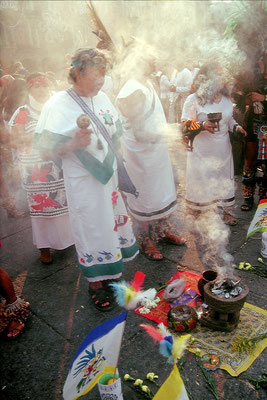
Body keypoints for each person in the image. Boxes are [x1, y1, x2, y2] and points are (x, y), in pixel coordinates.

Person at [35, 48, 139, 311]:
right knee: (91, 227)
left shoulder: (103, 96)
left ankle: (111, 271)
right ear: (78, 72)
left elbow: (114, 131)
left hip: (110, 177)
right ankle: (95, 283)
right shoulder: (58, 104)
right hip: (83, 180)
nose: (101, 82)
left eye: (103, 75)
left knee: (110, 224)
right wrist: (71, 143)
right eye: (95, 75)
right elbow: (44, 148)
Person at [116, 43, 186, 261]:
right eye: (150, 57)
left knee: (161, 196)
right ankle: (144, 241)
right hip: (141, 159)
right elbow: (139, 133)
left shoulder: (145, 82)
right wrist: (173, 134)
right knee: (144, 201)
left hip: (155, 154)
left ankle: (162, 231)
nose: (155, 60)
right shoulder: (132, 91)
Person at [9, 72, 74, 264]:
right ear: (30, 89)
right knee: (41, 209)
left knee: (62, 204)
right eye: (37, 86)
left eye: (44, 85)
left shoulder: (55, 106)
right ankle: (44, 247)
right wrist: (41, 138)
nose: (42, 90)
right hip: (34, 169)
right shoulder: (23, 112)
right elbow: (14, 140)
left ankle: (66, 240)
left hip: (57, 163)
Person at [182, 62, 247, 226]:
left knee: (224, 179)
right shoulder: (194, 100)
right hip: (202, 151)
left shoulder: (226, 99)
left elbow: (229, 119)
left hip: (223, 149)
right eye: (219, 77)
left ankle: (227, 213)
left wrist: (237, 128)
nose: (223, 81)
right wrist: (203, 126)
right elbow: (185, 124)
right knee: (203, 179)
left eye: (223, 78)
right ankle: (204, 215)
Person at [233, 47, 267, 211]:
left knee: (266, 162)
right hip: (252, 122)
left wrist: (263, 97)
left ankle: (264, 198)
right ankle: (247, 198)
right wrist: (242, 98)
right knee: (250, 159)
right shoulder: (250, 71)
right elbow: (237, 93)